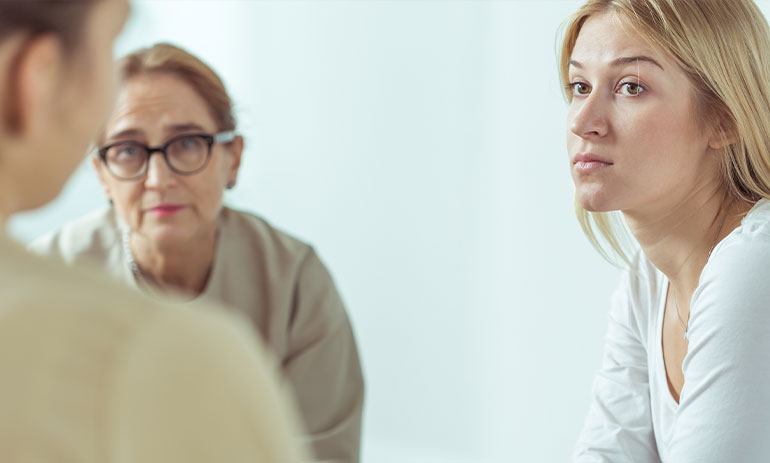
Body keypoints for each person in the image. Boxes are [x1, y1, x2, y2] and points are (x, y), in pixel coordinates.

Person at [0, 1, 308, 461]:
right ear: (38, 75)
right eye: (109, 43)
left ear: (234, 157)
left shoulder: (294, 277)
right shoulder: (167, 358)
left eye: (187, 144)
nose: (159, 180)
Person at [561, 0, 770, 461]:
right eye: (579, 86)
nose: (582, 121)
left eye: (631, 87)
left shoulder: (756, 266)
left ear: (725, 117)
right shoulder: (646, 282)